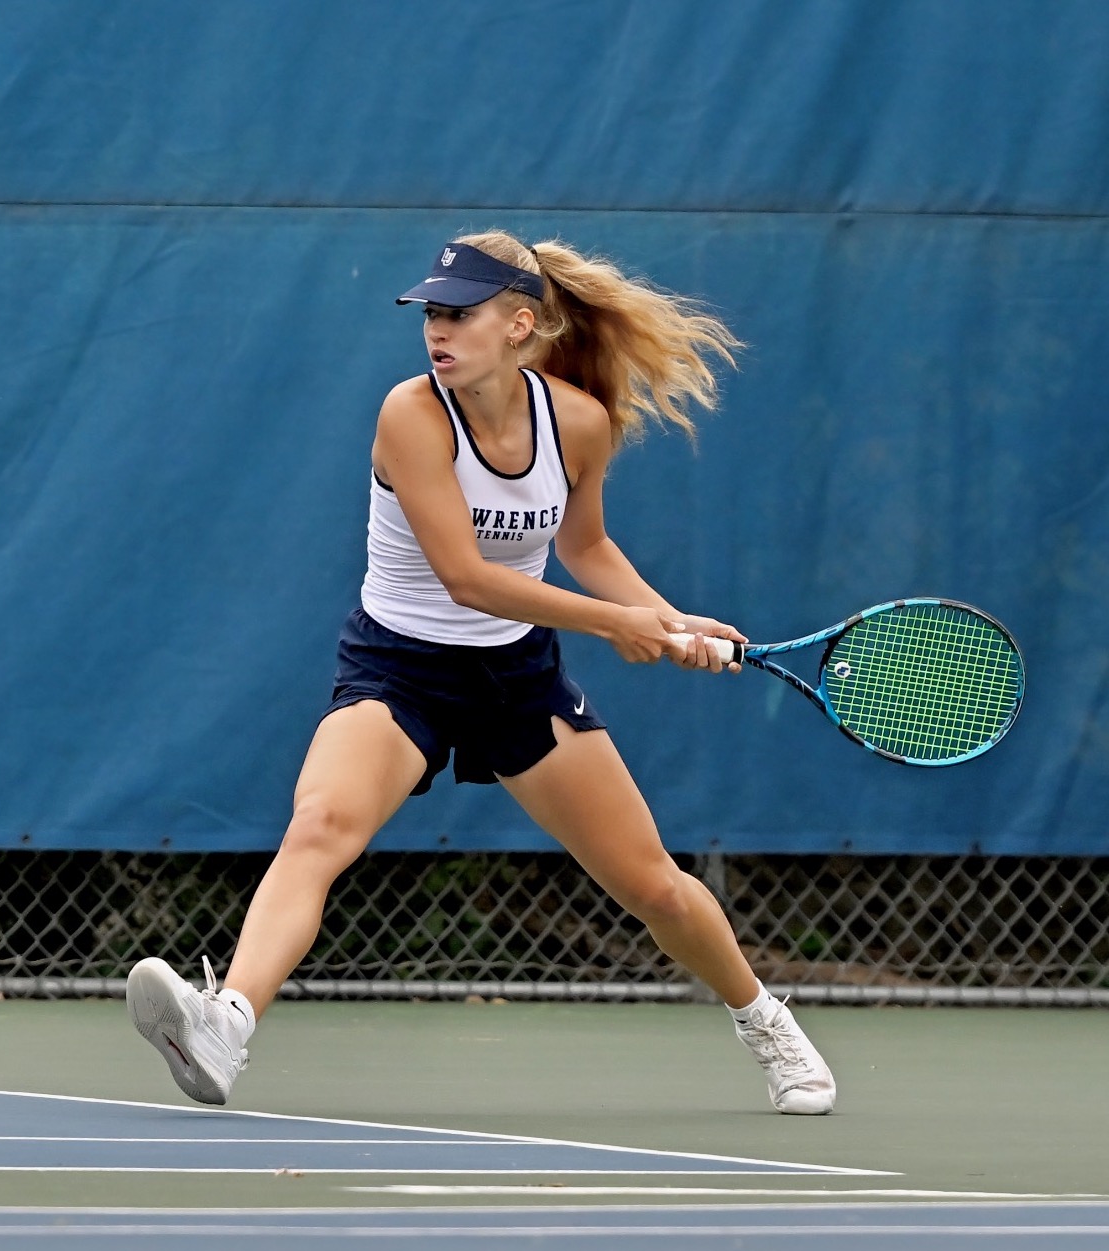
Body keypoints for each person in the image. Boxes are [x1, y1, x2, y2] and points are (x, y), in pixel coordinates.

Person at [126, 231, 837, 1117]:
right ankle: (224, 1023)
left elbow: (586, 547)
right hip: (398, 670)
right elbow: (466, 577)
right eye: (432, 312)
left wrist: (669, 616)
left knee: (651, 882)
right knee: (319, 827)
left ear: (520, 323)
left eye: (459, 313)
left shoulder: (577, 422)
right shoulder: (410, 415)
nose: (438, 329)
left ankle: (765, 1020)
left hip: (518, 681)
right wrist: (620, 624)